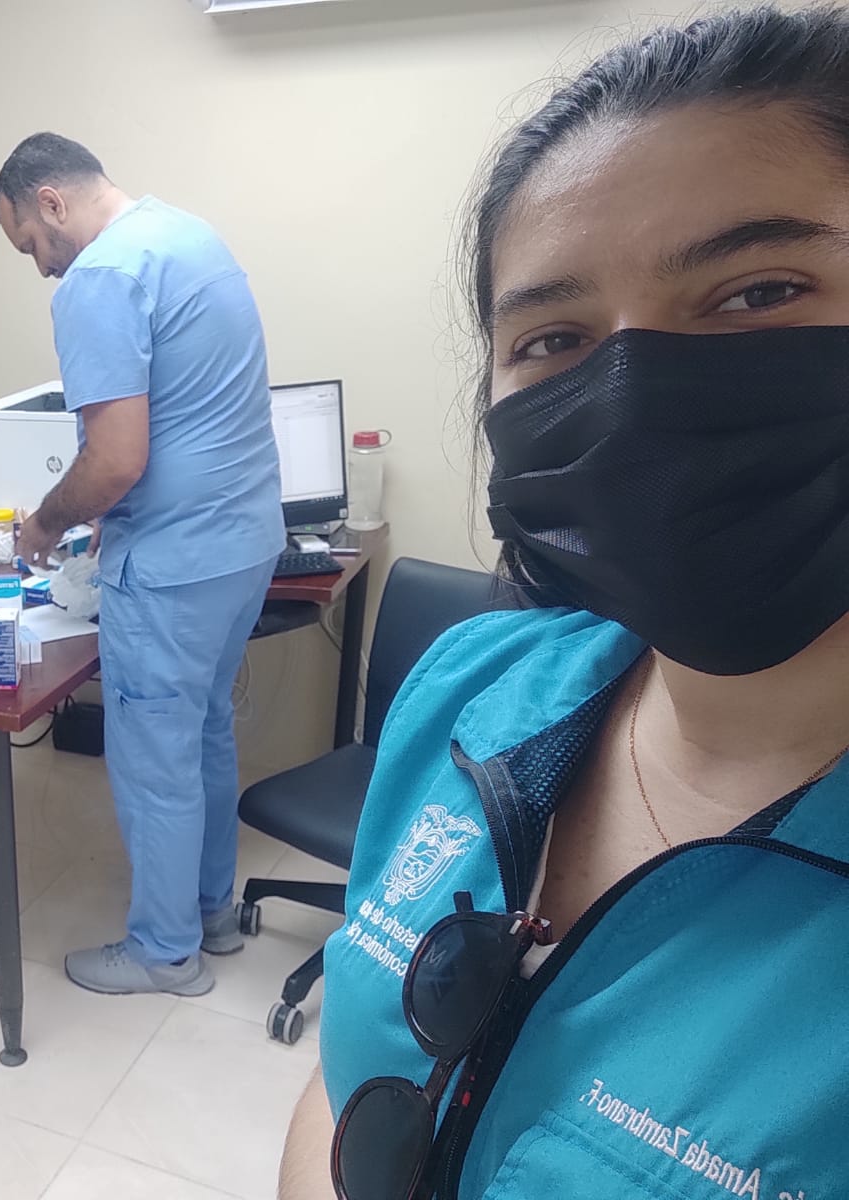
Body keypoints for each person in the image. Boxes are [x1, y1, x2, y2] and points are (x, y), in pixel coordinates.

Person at [278, 8, 849, 1199]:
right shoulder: (471, 688)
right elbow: (344, 1077)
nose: (632, 394)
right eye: (553, 339)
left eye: (759, 291)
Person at [0, 134, 284, 995]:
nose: (41, 266)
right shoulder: (188, 236)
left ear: (51, 202)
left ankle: (164, 952)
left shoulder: (100, 277)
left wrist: (47, 522)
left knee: (155, 762)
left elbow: (115, 459)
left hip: (174, 563)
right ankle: (209, 913)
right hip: (243, 544)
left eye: (30, 242)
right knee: (202, 733)